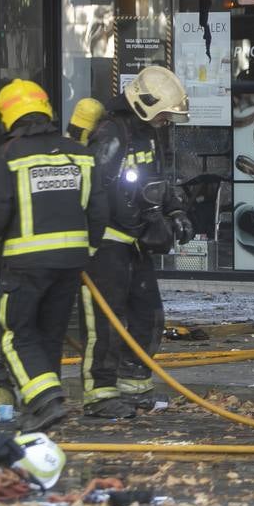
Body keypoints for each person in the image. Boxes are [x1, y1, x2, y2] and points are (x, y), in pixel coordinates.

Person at [0, 79, 106, 433]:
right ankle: (47, 404)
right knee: (50, 332)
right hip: (71, 263)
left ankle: (43, 399)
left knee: (15, 333)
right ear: (46, 108)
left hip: (25, 265)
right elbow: (98, 209)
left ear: (8, 116)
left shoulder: (8, 156)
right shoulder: (79, 154)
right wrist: (86, 252)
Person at [79, 66, 194, 419]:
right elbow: (96, 189)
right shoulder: (111, 134)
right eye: (164, 113)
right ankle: (99, 394)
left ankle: (133, 384)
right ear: (145, 104)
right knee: (106, 322)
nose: (166, 120)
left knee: (149, 314)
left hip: (136, 242)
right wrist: (135, 222)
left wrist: (175, 213)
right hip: (107, 246)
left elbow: (158, 178)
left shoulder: (147, 134)